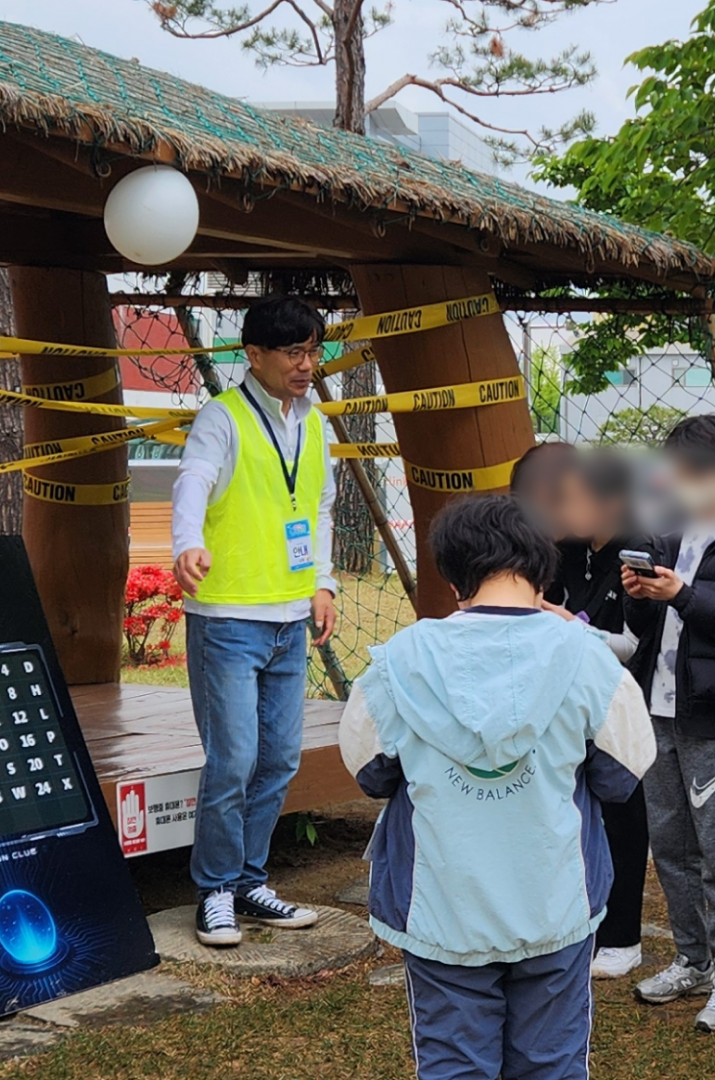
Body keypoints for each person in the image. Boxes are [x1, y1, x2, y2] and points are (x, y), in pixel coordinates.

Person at [339, 494, 656, 1080]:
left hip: (442, 909)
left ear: (453, 574)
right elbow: (621, 774)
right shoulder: (588, 660)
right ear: (542, 568)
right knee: (552, 1063)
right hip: (554, 900)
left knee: (454, 1064)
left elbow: (370, 772)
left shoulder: (398, 663)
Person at [171, 295, 338, 947]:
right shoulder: (223, 417)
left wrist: (323, 582)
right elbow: (193, 480)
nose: (307, 365)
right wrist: (187, 541)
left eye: (314, 350)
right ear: (255, 356)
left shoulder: (316, 423)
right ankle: (214, 888)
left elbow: (319, 507)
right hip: (228, 618)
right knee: (233, 758)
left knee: (278, 759)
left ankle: (248, 880)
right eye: (293, 352)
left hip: (289, 617)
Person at [622, 414, 715, 1034]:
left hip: (714, 719)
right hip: (657, 707)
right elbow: (650, 623)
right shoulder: (670, 526)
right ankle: (691, 958)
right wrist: (638, 590)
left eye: (695, 474)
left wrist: (682, 594)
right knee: (671, 844)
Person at [519, 447, 651, 978]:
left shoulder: (638, 551)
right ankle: (589, 921)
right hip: (569, 705)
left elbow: (634, 645)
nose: (560, 511)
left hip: (620, 706)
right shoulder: (570, 550)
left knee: (624, 813)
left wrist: (567, 624)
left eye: (568, 500)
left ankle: (625, 936)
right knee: (577, 815)